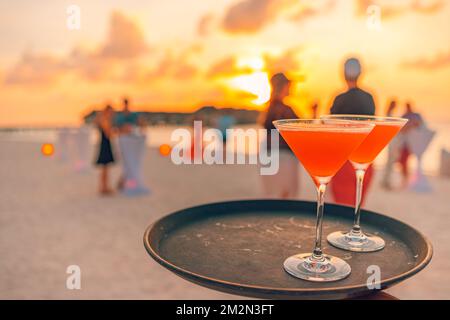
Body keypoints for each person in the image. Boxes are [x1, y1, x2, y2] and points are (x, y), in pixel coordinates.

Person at [329, 57, 375, 206]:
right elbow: (372, 127)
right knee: (358, 205)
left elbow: (330, 128)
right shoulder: (369, 98)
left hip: (343, 159)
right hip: (365, 157)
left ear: (343, 74)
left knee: (343, 207)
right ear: (360, 73)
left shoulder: (339, 99)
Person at [260, 73, 299, 199]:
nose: (291, 87)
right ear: (282, 86)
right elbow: (301, 129)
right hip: (284, 156)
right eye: (288, 85)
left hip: (267, 154)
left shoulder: (269, 109)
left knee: (271, 196)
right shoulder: (285, 109)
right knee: (286, 197)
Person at [398, 101, 425, 187]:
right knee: (402, 161)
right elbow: (401, 130)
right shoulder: (404, 116)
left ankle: (412, 178)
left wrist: (411, 125)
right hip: (404, 143)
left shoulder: (416, 115)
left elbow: (421, 126)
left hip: (414, 142)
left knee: (413, 160)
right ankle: (405, 177)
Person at [95, 105, 115, 195]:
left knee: (105, 168)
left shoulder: (102, 119)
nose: (112, 114)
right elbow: (108, 134)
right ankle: (104, 187)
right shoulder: (105, 120)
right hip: (105, 145)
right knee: (105, 168)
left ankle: (104, 187)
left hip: (104, 144)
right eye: (111, 112)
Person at [381, 99, 401, 189]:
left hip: (392, 140)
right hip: (392, 141)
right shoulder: (389, 114)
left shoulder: (389, 114)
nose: (395, 106)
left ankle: (386, 181)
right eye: (395, 104)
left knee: (391, 161)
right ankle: (386, 182)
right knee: (390, 161)